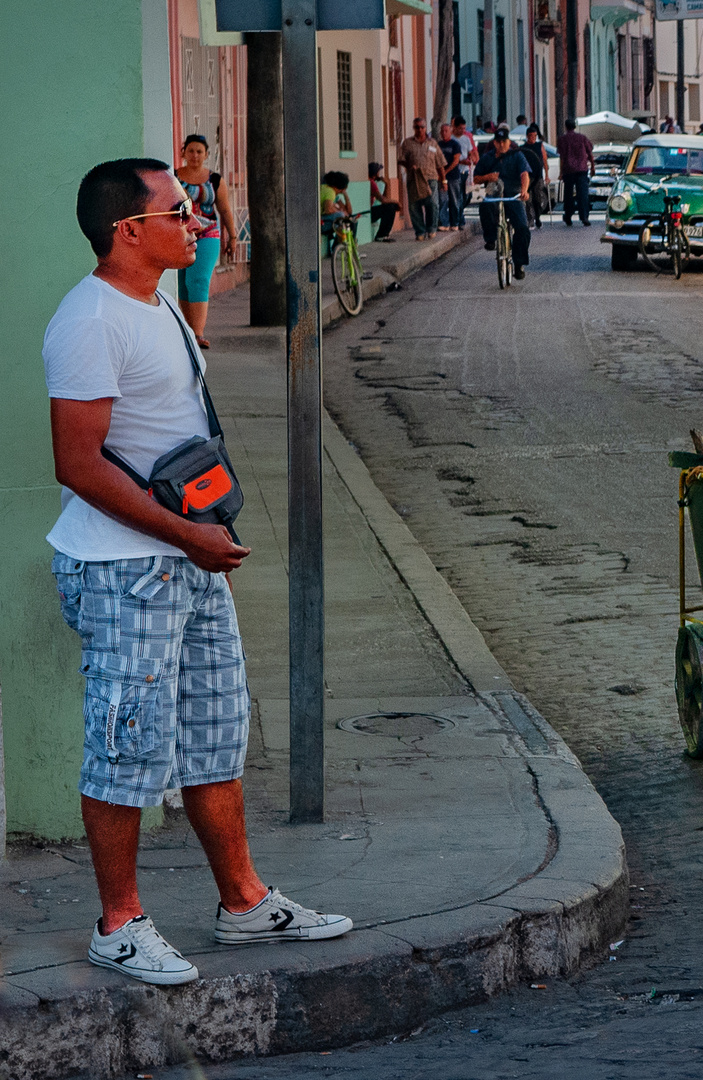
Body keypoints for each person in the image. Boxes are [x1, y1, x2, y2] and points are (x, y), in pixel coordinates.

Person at [45, 159, 353, 986]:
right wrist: (185, 533)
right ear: (128, 231)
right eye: (180, 211)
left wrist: (197, 538)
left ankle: (244, 904)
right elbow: (77, 464)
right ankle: (118, 923)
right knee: (123, 744)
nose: (198, 221)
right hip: (126, 569)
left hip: (187, 556)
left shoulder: (162, 308)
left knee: (215, 734)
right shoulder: (89, 320)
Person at [172, 134, 235, 349]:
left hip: (209, 233)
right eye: (191, 151)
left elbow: (224, 209)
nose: (195, 155)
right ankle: (189, 332)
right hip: (179, 234)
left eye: (199, 151)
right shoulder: (173, 177)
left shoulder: (215, 180)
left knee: (198, 280)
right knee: (184, 284)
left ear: (206, 154)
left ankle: (198, 334)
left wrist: (233, 236)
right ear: (183, 153)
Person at [474, 127, 532, 279]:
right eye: (498, 142)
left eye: (504, 142)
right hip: (494, 190)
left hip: (513, 193)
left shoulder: (517, 155)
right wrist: (488, 177)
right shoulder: (487, 158)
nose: (501, 145)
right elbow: (476, 178)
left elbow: (525, 174)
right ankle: (491, 239)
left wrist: (524, 191)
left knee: (522, 229)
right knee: (485, 206)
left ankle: (519, 264)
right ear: (494, 142)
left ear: (508, 142)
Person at [397, 117, 446, 239]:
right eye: (417, 127)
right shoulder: (407, 143)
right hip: (414, 178)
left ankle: (432, 228)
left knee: (433, 204)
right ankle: (419, 231)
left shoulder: (432, 143)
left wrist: (444, 180)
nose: (419, 130)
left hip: (430, 178)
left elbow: (440, 163)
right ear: (414, 128)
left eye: (422, 127)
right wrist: (409, 166)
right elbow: (401, 160)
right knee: (414, 205)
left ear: (425, 128)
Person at [556, 118, 595, 227]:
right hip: (582, 169)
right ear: (575, 126)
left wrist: (560, 172)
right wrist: (592, 167)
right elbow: (590, 153)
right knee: (582, 194)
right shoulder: (582, 138)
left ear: (566, 126)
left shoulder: (562, 139)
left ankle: (568, 215)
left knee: (568, 194)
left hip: (568, 170)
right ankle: (584, 217)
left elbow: (562, 157)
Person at [518, 124, 550, 228]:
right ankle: (530, 219)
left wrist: (547, 175)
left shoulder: (539, 145)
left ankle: (538, 216)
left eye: (535, 136)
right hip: (528, 176)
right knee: (528, 200)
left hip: (538, 176)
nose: (533, 138)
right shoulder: (523, 148)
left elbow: (544, 160)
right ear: (527, 136)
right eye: (531, 136)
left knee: (538, 198)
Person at [451, 115, 479, 227]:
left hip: (466, 171)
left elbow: (470, 152)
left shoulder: (466, 139)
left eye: (464, 128)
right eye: (461, 128)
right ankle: (459, 219)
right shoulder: (451, 139)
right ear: (455, 127)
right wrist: (461, 161)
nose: (463, 131)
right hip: (455, 171)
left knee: (467, 196)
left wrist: (472, 158)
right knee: (458, 196)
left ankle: (459, 213)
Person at [436, 123, 464, 229]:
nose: (444, 133)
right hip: (441, 177)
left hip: (453, 177)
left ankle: (455, 223)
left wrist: (446, 172)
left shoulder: (455, 144)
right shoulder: (438, 145)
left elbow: (456, 160)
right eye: (442, 131)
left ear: (450, 132)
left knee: (455, 200)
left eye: (446, 131)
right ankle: (444, 223)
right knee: (442, 200)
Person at [319, 170, 354, 248]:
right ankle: (340, 247)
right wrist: (339, 212)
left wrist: (346, 196)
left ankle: (341, 247)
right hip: (319, 221)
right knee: (342, 218)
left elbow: (349, 211)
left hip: (321, 219)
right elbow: (328, 210)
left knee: (347, 218)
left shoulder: (328, 190)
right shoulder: (330, 192)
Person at [366, 162, 399, 241]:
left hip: (369, 210)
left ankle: (383, 234)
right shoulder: (372, 183)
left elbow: (384, 198)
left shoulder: (371, 182)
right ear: (376, 174)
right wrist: (397, 202)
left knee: (389, 206)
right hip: (368, 212)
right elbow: (383, 200)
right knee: (391, 207)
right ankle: (382, 235)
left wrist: (387, 185)